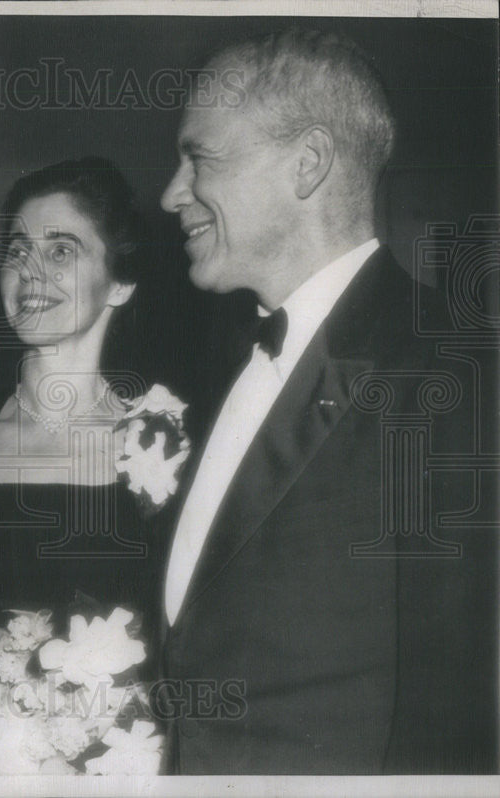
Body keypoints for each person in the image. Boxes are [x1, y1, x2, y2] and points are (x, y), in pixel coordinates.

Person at [156, 29, 497, 774]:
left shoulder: (459, 372)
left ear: (307, 163)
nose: (171, 193)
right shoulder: (216, 365)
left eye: (199, 158)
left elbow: (460, 717)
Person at [0, 157, 165, 669]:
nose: (30, 272)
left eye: (61, 251)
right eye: (18, 251)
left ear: (120, 284)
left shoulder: (165, 446)